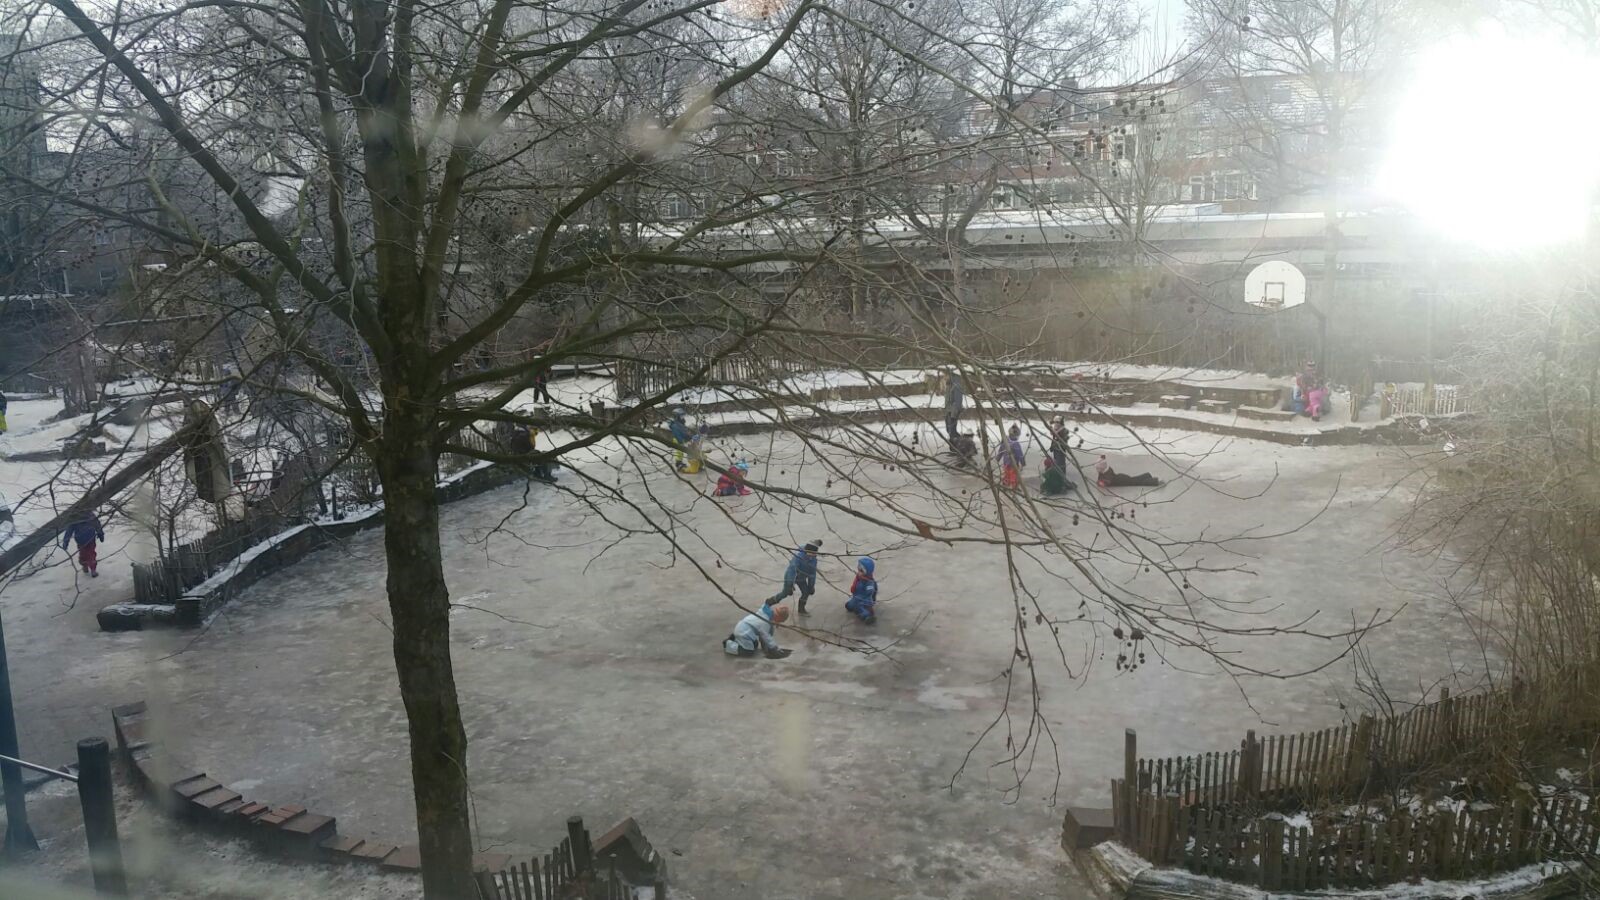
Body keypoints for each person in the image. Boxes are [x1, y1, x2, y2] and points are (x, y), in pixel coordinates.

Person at [768, 540, 822, 615]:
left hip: (801, 578)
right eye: (812, 553)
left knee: (806, 592)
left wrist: (811, 586)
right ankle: (769, 602)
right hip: (791, 577)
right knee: (785, 593)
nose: (813, 555)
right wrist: (790, 584)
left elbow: (812, 574)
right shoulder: (798, 557)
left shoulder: (813, 560)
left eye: (814, 553)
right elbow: (792, 571)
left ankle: (801, 609)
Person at [724, 603, 792, 658]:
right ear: (778, 617)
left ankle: (736, 639)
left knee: (755, 645)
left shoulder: (767, 615)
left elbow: (765, 635)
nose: (779, 623)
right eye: (780, 621)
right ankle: (728, 645)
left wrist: (765, 647)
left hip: (744, 630)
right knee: (748, 652)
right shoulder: (765, 622)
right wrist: (774, 648)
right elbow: (766, 636)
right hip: (743, 632)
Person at [61, 511, 105, 577]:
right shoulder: (87, 515)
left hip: (87, 539)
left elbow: (97, 524)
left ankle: (91, 568)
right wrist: (100, 534)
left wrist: (65, 542)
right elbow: (69, 531)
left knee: (89, 554)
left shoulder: (78, 516)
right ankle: (87, 566)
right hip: (86, 539)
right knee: (87, 554)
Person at [844, 556, 879, 624]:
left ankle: (868, 616)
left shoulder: (869, 582)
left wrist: (868, 591)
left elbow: (870, 591)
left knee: (861, 608)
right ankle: (855, 607)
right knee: (849, 606)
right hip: (856, 597)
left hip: (863, 600)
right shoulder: (859, 578)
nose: (859, 572)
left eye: (861, 571)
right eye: (858, 570)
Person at [1094, 454, 1161, 488]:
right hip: (1120, 477)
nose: (1097, 470)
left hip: (1121, 481)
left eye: (1098, 468)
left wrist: (1099, 483)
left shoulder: (1107, 474)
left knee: (1137, 482)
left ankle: (1155, 481)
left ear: (1101, 468)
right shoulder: (1105, 470)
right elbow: (1101, 479)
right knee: (1135, 479)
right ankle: (1147, 475)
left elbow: (1106, 483)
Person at [996, 424, 1025, 489]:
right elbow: (1020, 454)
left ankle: (1005, 484)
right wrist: (1023, 462)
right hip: (1014, 463)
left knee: (1006, 473)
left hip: (1006, 463)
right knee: (1013, 475)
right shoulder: (1016, 443)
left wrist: (998, 458)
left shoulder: (1005, 441)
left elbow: (1001, 450)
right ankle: (1014, 486)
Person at [944, 372, 964, 443]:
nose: (945, 377)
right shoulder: (949, 385)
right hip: (948, 411)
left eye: (946, 375)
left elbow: (958, 401)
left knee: (952, 430)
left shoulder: (956, 386)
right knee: (949, 430)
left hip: (953, 412)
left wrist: (954, 413)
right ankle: (958, 443)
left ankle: (957, 444)